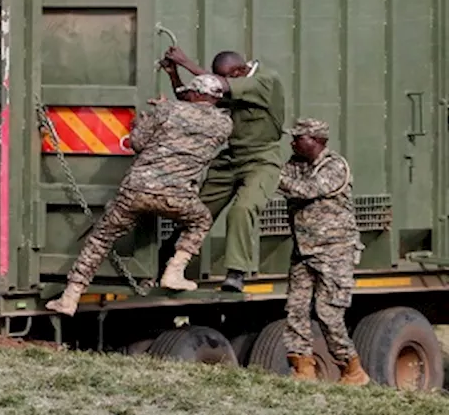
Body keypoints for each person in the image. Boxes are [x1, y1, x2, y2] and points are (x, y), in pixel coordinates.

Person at [46, 74, 234, 316]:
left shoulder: (168, 110)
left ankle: (70, 297)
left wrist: (145, 119)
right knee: (201, 220)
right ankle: (174, 271)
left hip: (136, 190)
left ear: (196, 93)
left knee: (101, 238)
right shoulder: (223, 125)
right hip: (177, 196)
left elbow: (137, 143)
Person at [161, 46, 286, 292]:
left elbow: (216, 85)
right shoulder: (232, 82)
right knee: (197, 212)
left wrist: (186, 61)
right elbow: (195, 98)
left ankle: (236, 273)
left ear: (240, 71)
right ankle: (168, 262)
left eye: (225, 77)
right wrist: (173, 74)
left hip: (261, 160)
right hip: (231, 159)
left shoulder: (266, 81)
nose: (221, 82)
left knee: (242, 209)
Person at [279, 118, 369, 385]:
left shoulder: (335, 166)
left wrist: (270, 174)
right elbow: (285, 180)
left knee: (328, 313)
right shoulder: (295, 165)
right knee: (295, 309)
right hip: (304, 251)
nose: (293, 142)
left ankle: (352, 369)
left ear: (317, 140)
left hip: (334, 253)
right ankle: (302, 368)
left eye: (299, 137)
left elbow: (307, 190)